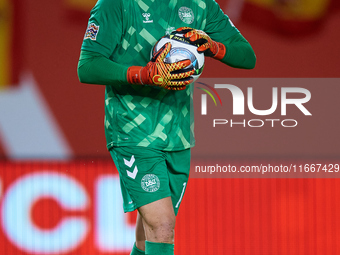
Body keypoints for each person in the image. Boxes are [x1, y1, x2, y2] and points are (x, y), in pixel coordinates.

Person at [77, 0, 256, 254]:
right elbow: (87, 66)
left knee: (146, 238)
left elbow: (247, 57)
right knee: (162, 226)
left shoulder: (201, 5)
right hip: (132, 130)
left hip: (178, 135)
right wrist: (144, 75)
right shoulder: (115, 4)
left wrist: (213, 47)